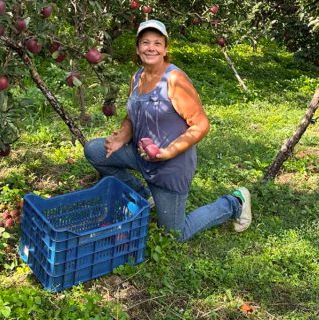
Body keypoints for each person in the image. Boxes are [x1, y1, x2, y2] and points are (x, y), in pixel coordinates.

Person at [84, 19, 252, 242]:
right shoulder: (137, 77)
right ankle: (144, 196)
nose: (150, 47)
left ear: (165, 49)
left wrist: (169, 152)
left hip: (170, 167)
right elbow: (132, 115)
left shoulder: (174, 80)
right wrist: (121, 138)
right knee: (95, 151)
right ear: (137, 48)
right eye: (145, 42)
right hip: (142, 155)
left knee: (175, 234)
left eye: (157, 43)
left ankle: (234, 203)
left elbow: (201, 125)